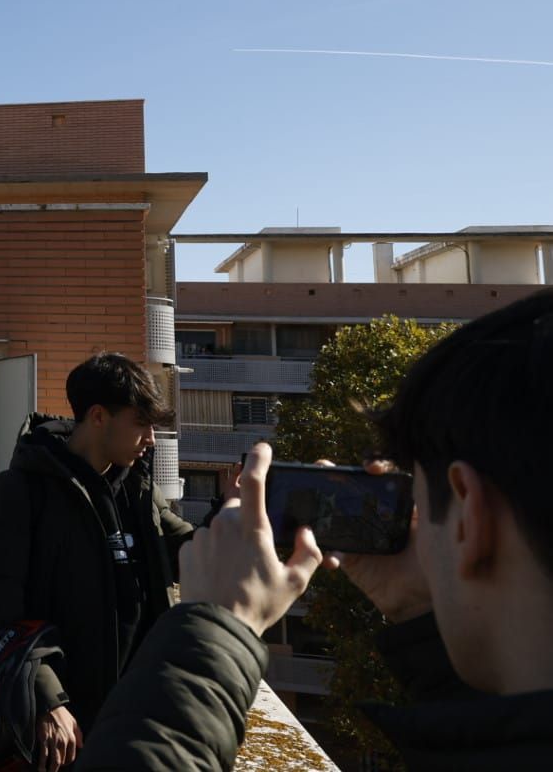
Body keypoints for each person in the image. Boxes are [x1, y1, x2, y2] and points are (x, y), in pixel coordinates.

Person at [75, 288, 553, 770]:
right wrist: (423, 611)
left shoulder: (135, 489)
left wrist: (215, 631)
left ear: (469, 515)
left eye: (420, 498)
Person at [0, 352, 192, 770]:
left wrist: (243, 515)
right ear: (99, 416)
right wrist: (47, 701)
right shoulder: (20, 493)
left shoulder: (139, 493)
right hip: (60, 733)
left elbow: (191, 554)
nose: (152, 439)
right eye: (141, 423)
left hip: (136, 724)